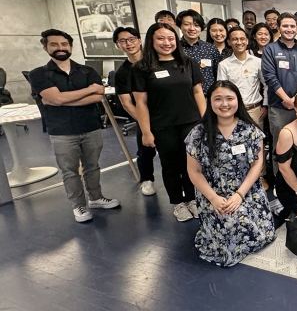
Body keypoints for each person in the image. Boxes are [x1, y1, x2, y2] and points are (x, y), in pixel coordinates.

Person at [30, 29, 120, 223]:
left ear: (70, 46)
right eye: (54, 44)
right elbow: (59, 97)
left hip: (90, 126)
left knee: (92, 166)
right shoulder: (39, 74)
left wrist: (61, 99)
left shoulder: (87, 70)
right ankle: (78, 205)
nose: (60, 48)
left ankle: (96, 197)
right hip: (61, 130)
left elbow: (98, 96)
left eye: (64, 44)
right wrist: (86, 91)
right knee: (70, 170)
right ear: (45, 47)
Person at [185, 81, 275, 267]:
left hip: (246, 189)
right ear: (209, 102)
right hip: (213, 192)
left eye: (229, 98)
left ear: (238, 101)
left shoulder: (250, 130)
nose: (224, 104)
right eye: (218, 99)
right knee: (228, 227)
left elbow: (257, 164)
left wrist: (240, 195)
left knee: (254, 231)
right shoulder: (198, 133)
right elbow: (194, 171)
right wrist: (214, 198)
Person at [132, 22, 207, 222]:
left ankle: (192, 199)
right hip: (163, 125)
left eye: (171, 38)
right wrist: (146, 132)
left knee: (191, 164)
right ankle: (178, 202)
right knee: (170, 164)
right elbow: (141, 103)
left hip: (190, 122)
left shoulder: (187, 62)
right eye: (161, 38)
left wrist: (206, 121)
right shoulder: (142, 68)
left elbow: (198, 92)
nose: (167, 42)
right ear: (151, 41)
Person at [262, 12, 297, 176]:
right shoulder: (270, 49)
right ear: (278, 27)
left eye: (293, 26)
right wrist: (286, 99)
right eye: (285, 26)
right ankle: (281, 179)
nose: (289, 29)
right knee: (280, 144)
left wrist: (296, 101)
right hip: (279, 108)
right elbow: (270, 77)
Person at [112, 27, 157, 196]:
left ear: (139, 40)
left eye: (131, 39)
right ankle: (147, 180)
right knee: (145, 151)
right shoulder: (122, 73)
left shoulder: (156, 62)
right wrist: (145, 123)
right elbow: (126, 103)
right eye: (123, 41)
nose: (128, 43)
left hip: (167, 116)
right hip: (144, 117)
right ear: (118, 45)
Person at [218, 27, 267, 130]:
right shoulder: (224, 65)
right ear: (229, 42)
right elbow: (221, 91)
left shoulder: (257, 62)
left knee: (257, 143)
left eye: (242, 39)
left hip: (255, 111)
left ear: (247, 40)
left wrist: (265, 106)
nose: (239, 42)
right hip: (234, 111)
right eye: (235, 39)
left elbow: (266, 84)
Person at [177, 9, 221, 94]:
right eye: (187, 24)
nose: (192, 28)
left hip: (208, 96)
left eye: (196, 25)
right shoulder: (175, 49)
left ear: (201, 28)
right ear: (180, 26)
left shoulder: (211, 48)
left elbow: (217, 74)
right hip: (185, 96)